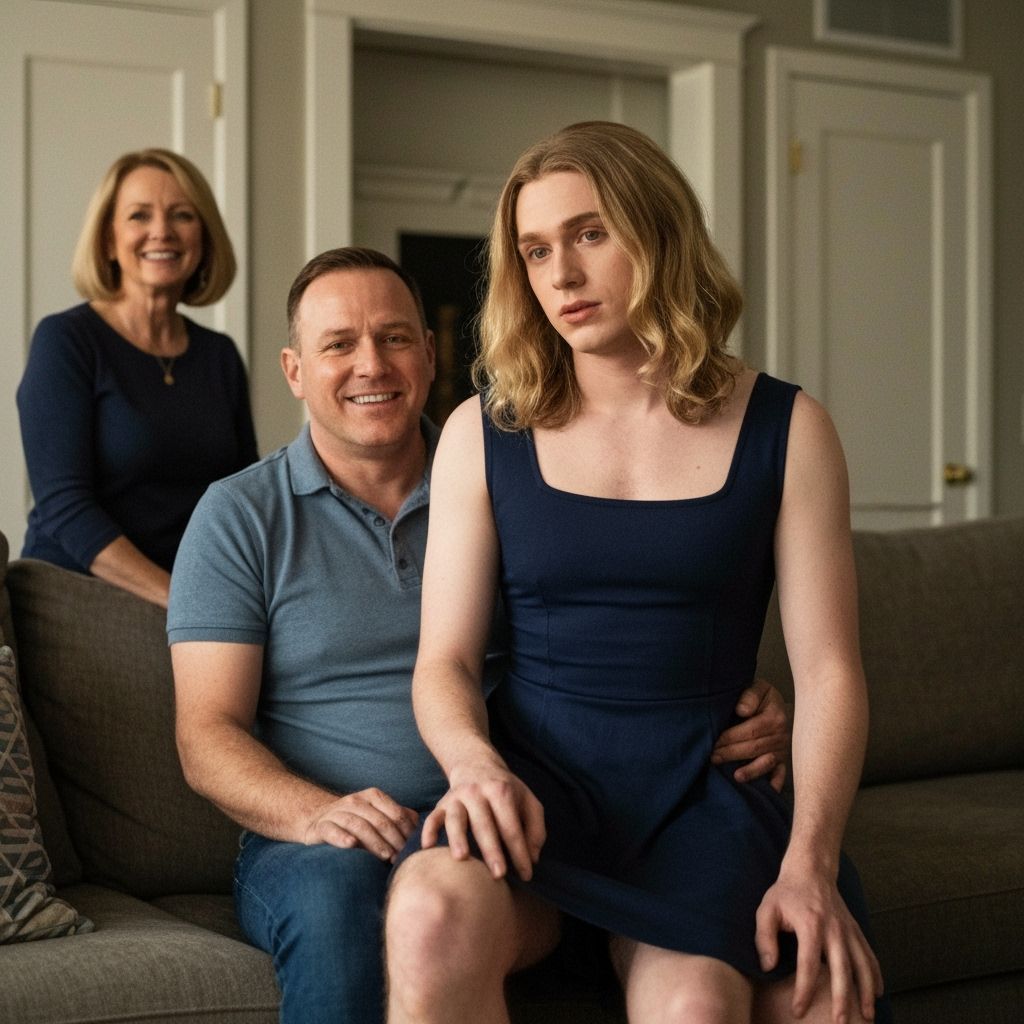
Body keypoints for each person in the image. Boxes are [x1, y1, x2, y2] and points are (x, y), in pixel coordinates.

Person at [167, 246, 791, 1024]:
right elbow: (205, 734)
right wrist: (315, 813)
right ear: (295, 370)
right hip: (327, 836)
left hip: (535, 817)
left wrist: (740, 699)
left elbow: (630, 609)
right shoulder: (238, 516)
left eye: (396, 337)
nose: (373, 364)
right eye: (339, 345)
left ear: (431, 353)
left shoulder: (514, 472)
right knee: (342, 908)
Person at [383, 122, 890, 1024]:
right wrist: (472, 768)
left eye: (589, 233)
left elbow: (829, 672)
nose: (562, 277)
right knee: (425, 913)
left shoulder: (791, 427)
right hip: (533, 789)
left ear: (658, 231)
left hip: (705, 798)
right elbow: (445, 663)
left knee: (697, 1004)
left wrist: (810, 865)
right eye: (536, 251)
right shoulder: (480, 433)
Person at [16, 148, 258, 607]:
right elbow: (65, 508)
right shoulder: (67, 340)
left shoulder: (219, 356)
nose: (161, 231)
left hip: (190, 595)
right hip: (76, 591)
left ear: (203, 237)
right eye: (139, 215)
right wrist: (185, 599)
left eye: (182, 215)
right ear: (108, 240)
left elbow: (242, 499)